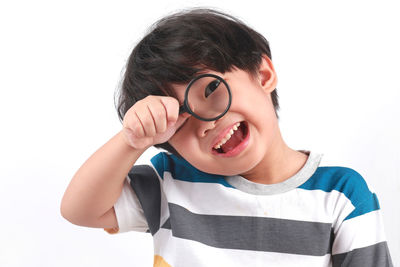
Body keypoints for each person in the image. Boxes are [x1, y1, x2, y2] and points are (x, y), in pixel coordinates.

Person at [61, 8, 393, 267]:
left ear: (263, 75)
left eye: (211, 89)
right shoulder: (171, 184)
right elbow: (80, 210)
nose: (204, 124)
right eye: (178, 120)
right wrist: (131, 141)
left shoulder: (341, 196)